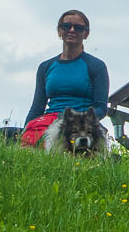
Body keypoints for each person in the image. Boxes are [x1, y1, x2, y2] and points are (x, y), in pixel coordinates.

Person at [19, 9, 109, 146]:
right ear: (59, 31)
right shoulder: (45, 67)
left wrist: (77, 120)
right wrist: (25, 131)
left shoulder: (96, 66)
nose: (72, 30)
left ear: (86, 34)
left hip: (80, 124)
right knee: (2, 135)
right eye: (66, 26)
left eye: (78, 28)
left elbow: (101, 108)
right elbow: (37, 108)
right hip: (48, 121)